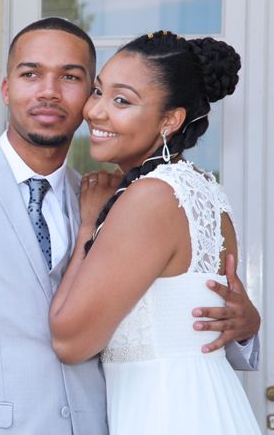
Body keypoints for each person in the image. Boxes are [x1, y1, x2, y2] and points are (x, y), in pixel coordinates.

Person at [0, 18, 260, 434]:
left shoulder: (111, 198)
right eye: (30, 74)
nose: (48, 90)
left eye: (71, 77)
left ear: (84, 93)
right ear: (6, 89)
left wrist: (245, 329)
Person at [49, 30, 261, 434]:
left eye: (122, 100)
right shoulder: (202, 188)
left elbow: (70, 342)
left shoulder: (151, 198)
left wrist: (89, 230)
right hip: (207, 406)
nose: (95, 111)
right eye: (98, 91)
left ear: (170, 120)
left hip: (167, 414)